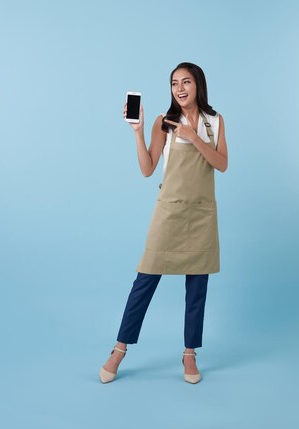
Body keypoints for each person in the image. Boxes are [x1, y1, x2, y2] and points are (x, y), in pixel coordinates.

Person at [99, 62, 228, 384]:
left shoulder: (215, 121)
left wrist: (193, 136)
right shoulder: (164, 122)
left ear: (198, 84)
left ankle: (189, 355)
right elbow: (147, 169)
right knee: (144, 281)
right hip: (169, 211)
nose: (180, 89)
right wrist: (139, 131)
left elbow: (222, 164)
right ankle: (118, 349)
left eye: (186, 82)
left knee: (197, 287)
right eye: (174, 84)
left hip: (201, 214)